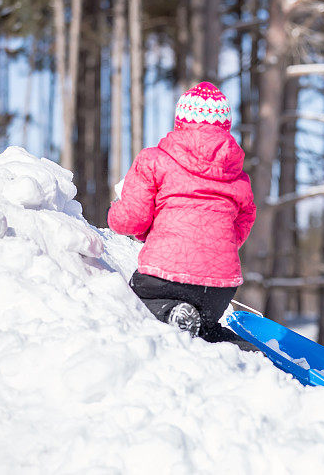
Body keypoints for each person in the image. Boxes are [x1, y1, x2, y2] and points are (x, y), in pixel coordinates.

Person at [108, 82, 256, 341]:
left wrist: (117, 211)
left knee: (133, 305)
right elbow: (244, 221)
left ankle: (168, 313)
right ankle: (229, 342)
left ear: (180, 122)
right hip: (219, 286)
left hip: (163, 276)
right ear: (225, 127)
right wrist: (219, 248)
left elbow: (131, 220)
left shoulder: (154, 160)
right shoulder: (238, 176)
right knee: (205, 328)